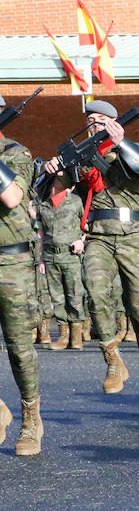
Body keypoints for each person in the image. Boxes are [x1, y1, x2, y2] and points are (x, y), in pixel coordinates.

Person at [44, 99, 139, 418]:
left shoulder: (131, 147)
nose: (94, 125)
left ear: (113, 121)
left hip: (133, 234)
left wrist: (121, 140)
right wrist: (54, 170)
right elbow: (55, 192)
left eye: (100, 120)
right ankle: (113, 359)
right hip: (97, 234)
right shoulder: (82, 157)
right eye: (90, 120)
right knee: (95, 293)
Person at [0, 92, 43, 454]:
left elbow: (13, 197)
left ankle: (31, 418)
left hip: (10, 262)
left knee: (18, 346)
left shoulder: (17, 153)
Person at [35, 180, 86, 350]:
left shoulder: (76, 201)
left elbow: (87, 225)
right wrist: (40, 258)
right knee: (56, 297)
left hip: (70, 255)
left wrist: (81, 241)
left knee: (75, 295)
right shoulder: (43, 204)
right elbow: (40, 233)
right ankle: (64, 335)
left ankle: (76, 335)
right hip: (51, 256)